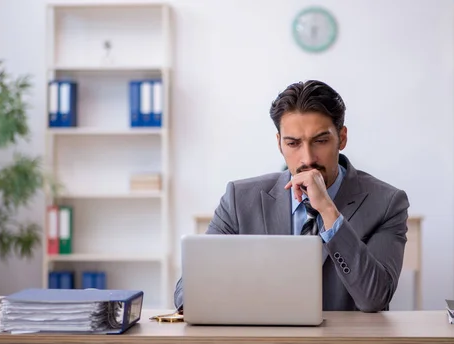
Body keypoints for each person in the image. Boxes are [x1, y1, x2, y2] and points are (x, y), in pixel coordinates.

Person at [174, 79, 410, 312]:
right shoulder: (239, 200)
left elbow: (375, 299)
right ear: (279, 144)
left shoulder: (387, 203)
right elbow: (187, 294)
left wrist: (329, 212)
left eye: (320, 141)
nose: (307, 159)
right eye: (293, 143)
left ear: (342, 138)